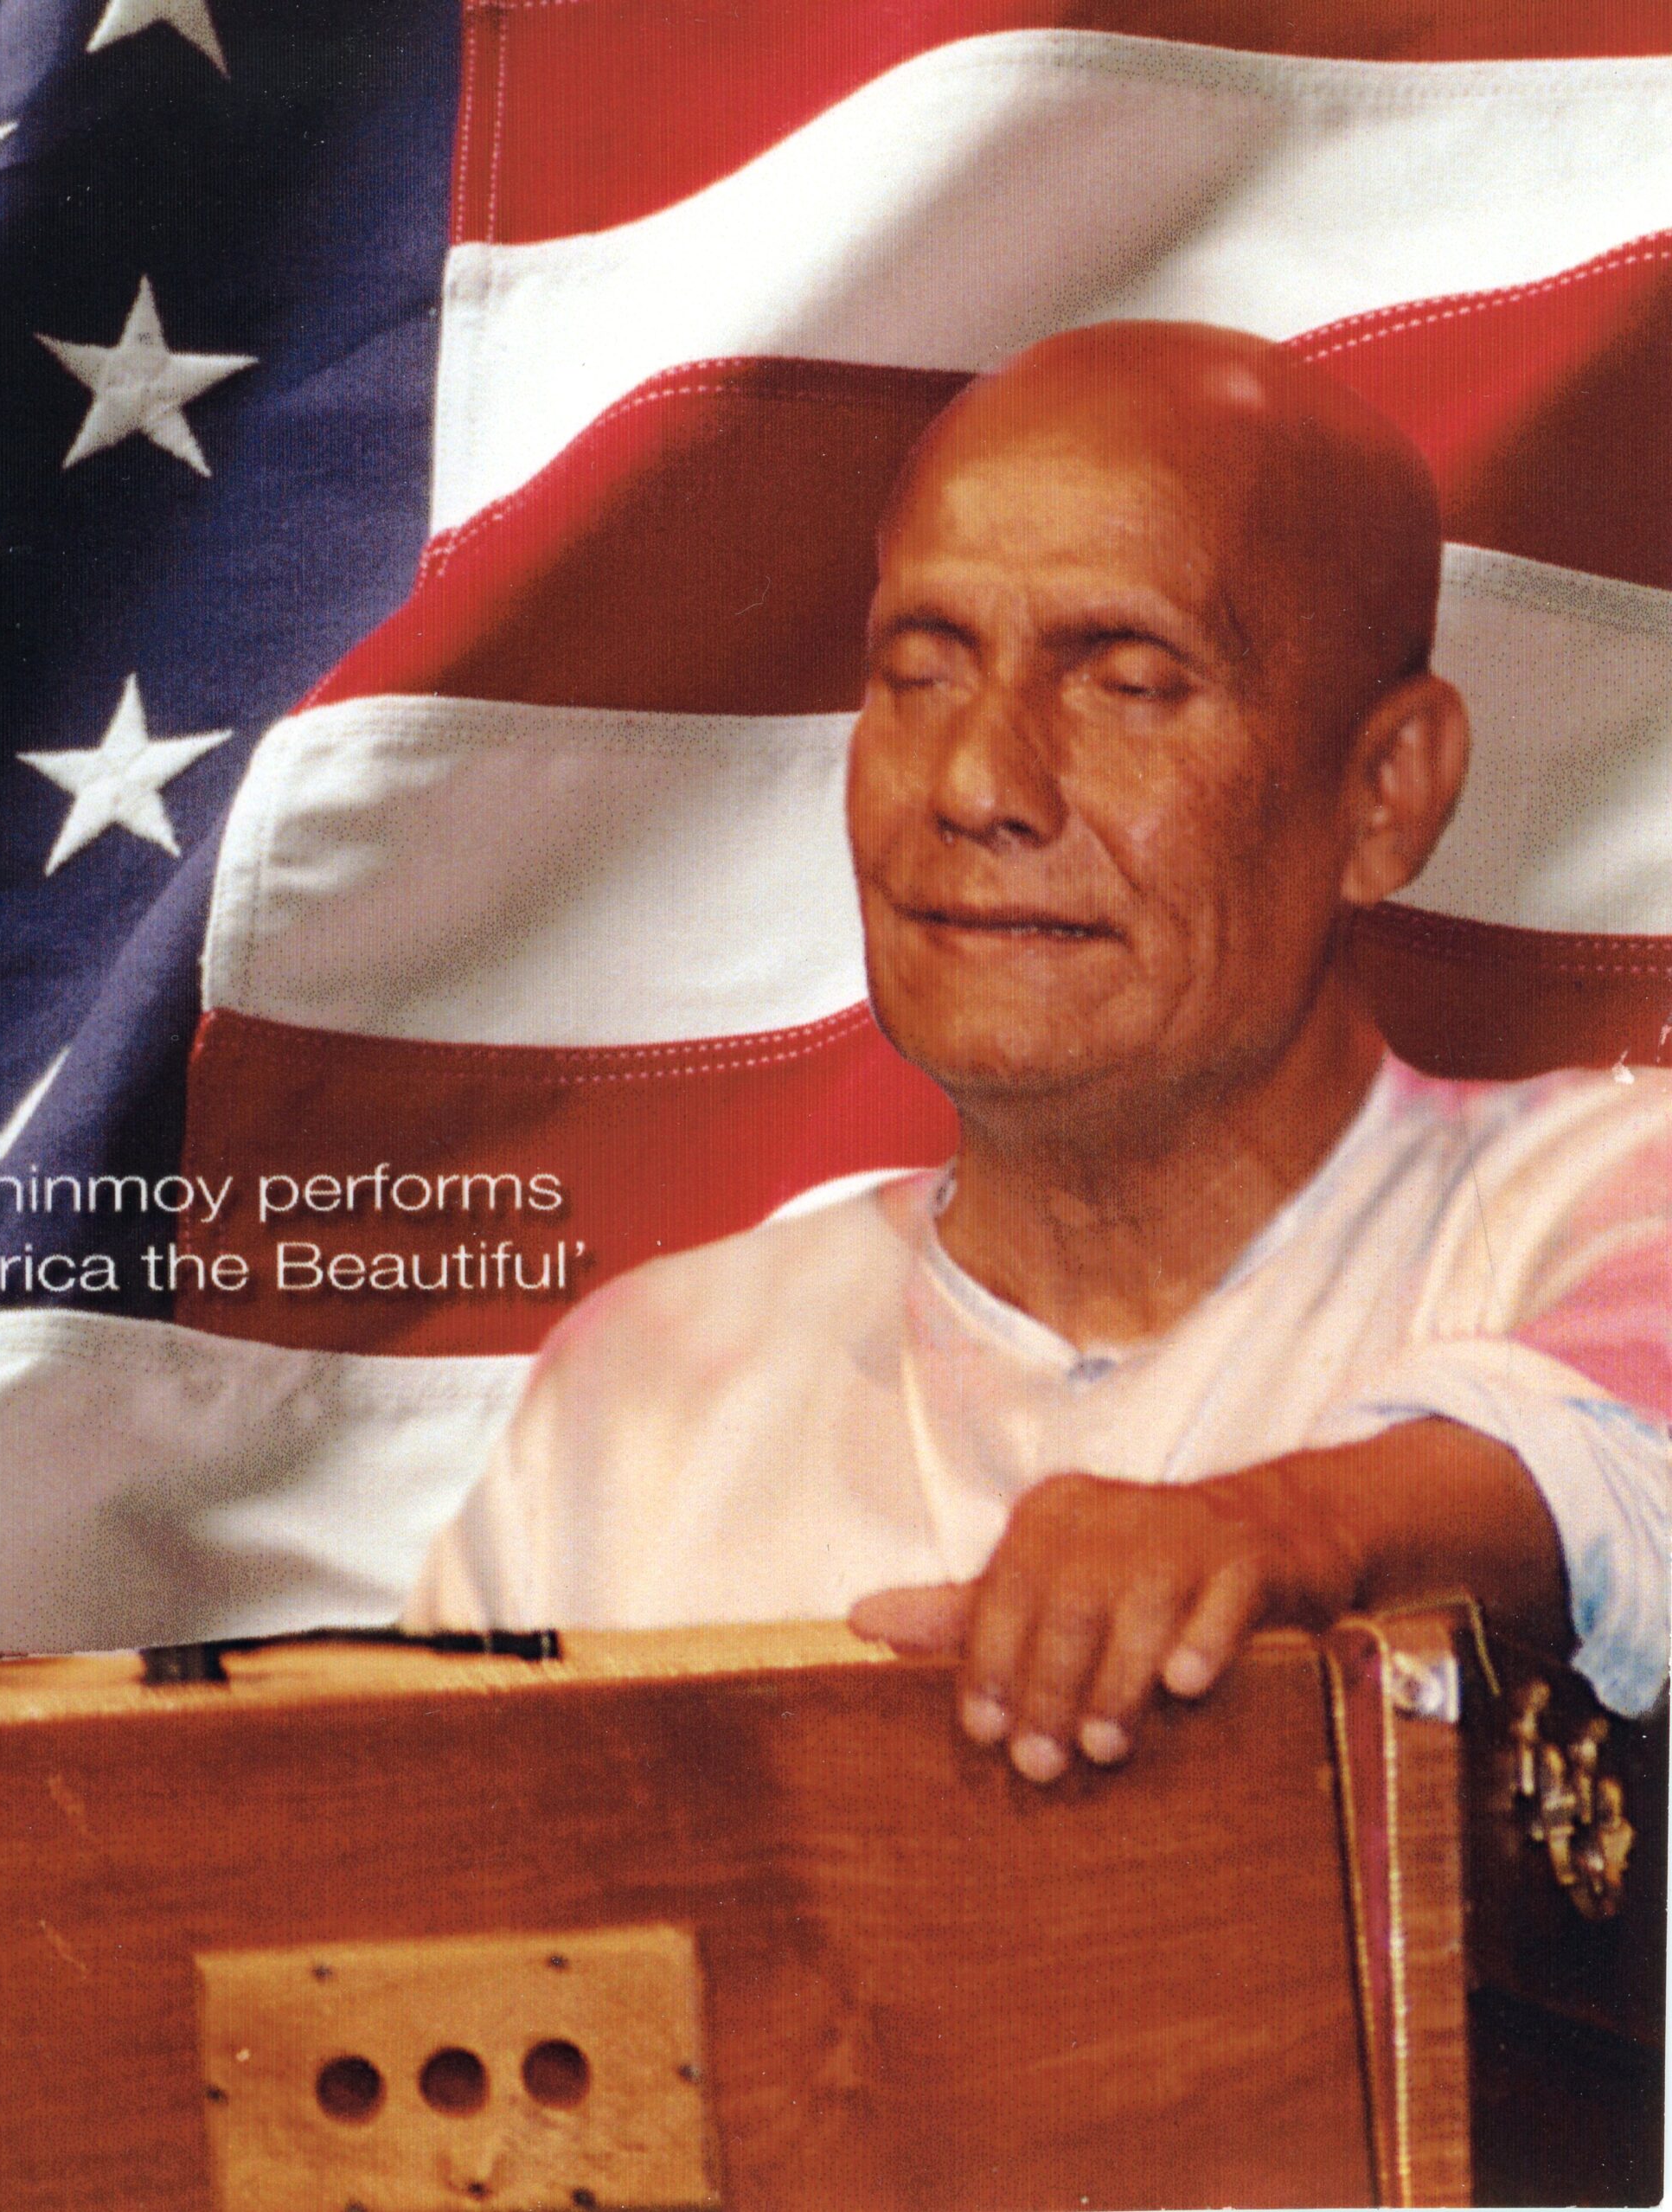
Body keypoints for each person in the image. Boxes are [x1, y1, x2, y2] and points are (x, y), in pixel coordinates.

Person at [406, 321, 1670, 1780]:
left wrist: (1280, 1531)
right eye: (922, 672)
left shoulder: (1595, 1193)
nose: (979, 781)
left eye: (1127, 681)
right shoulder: (647, 1396)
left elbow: (1631, 1457)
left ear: (1385, 791)